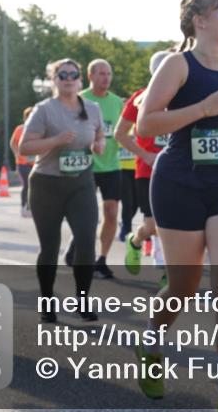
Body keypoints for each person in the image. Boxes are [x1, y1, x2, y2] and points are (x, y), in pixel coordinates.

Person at [135, 0, 218, 412]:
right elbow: (146, 124)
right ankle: (151, 343)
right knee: (184, 286)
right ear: (199, 20)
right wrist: (202, 109)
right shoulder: (177, 65)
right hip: (180, 181)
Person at [19, 59, 105, 323]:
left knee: (86, 241)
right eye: (62, 74)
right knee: (50, 247)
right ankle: (47, 302)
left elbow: (100, 133)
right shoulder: (44, 110)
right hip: (48, 184)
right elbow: (24, 147)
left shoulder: (92, 108)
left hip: (82, 182)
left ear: (80, 79)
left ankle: (82, 300)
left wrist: (99, 144)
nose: (68, 78)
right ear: (54, 80)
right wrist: (55, 140)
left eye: (73, 74)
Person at [117, 50, 171, 284]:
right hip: (147, 171)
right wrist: (145, 154)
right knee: (151, 225)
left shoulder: (184, 97)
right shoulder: (140, 98)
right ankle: (136, 241)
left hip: (177, 170)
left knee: (172, 224)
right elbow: (120, 134)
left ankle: (166, 273)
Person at [79, 59, 126, 279]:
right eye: (101, 74)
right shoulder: (80, 100)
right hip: (86, 166)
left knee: (111, 212)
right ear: (91, 76)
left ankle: (102, 259)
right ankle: (79, 250)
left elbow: (124, 132)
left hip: (111, 166)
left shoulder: (117, 102)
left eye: (109, 74)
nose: (106, 78)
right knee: (87, 215)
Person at [11, 107, 35, 218]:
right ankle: (24, 206)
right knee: (27, 184)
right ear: (25, 118)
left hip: (35, 163)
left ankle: (33, 206)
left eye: (33, 115)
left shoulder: (39, 128)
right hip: (22, 162)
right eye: (29, 115)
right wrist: (17, 153)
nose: (31, 117)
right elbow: (13, 143)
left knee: (35, 186)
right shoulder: (20, 129)